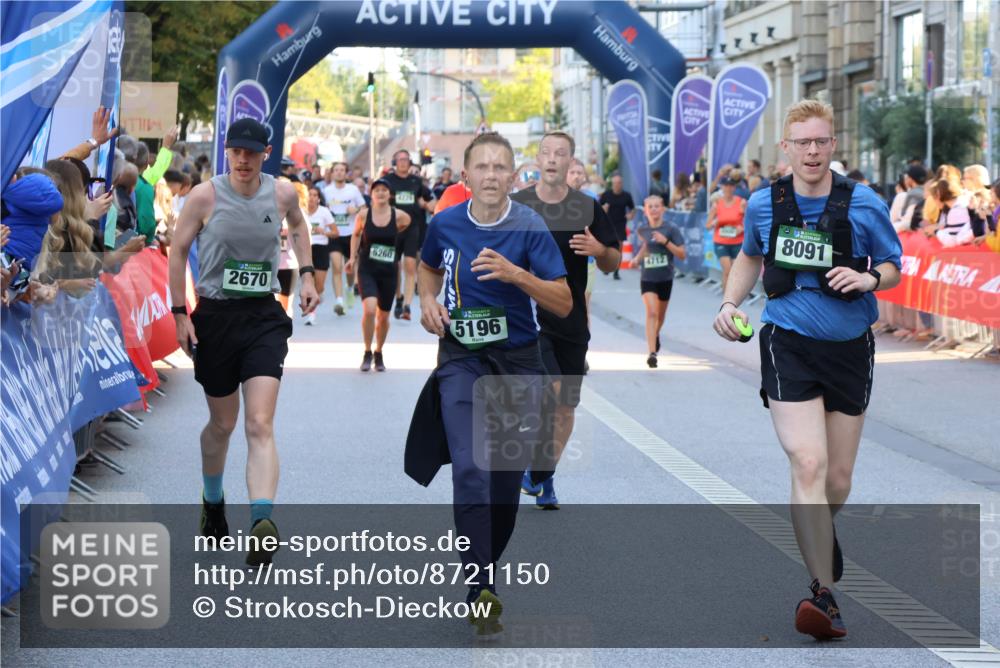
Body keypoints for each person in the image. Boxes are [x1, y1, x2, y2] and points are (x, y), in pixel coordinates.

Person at [712, 100, 901, 640]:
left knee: (836, 480)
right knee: (808, 462)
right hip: (787, 342)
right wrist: (729, 303)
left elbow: (893, 265)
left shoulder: (864, 202)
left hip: (849, 347)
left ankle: (820, 532)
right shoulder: (763, 203)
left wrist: (869, 280)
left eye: (821, 141)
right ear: (787, 148)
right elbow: (749, 256)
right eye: (803, 143)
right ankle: (823, 594)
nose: (812, 151)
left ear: (833, 145)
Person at [413, 132, 570, 635]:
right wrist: (428, 302)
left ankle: (485, 568)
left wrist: (516, 275)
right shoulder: (445, 223)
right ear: (465, 176)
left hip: (518, 362)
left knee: (504, 483)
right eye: (481, 167)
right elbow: (427, 268)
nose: (491, 175)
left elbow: (563, 301)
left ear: (513, 176)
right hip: (462, 358)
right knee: (470, 467)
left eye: (500, 167)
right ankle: (480, 585)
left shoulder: (530, 227)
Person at [168, 118, 320, 566]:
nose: (243, 159)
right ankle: (213, 499)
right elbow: (177, 251)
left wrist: (307, 274)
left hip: (262, 317)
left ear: (265, 153)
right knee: (223, 424)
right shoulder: (204, 196)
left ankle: (261, 522)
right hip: (215, 317)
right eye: (236, 151)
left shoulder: (282, 193)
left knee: (259, 422)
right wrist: (180, 314)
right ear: (228, 152)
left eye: (251, 152)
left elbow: (299, 227)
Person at [511, 132, 620, 508]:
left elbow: (613, 262)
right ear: (538, 159)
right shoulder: (518, 205)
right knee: (550, 392)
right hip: (528, 319)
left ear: (571, 161)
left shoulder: (587, 207)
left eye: (561, 153)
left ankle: (542, 477)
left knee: (565, 407)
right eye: (546, 152)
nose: (553, 158)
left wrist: (599, 249)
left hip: (571, 322)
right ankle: (534, 472)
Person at [345, 178, 411, 371]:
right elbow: (356, 234)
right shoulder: (363, 215)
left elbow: (406, 227)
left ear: (389, 194)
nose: (380, 193)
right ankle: (367, 351)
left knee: (383, 317)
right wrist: (352, 258)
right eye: (377, 190)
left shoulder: (400, 216)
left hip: (389, 271)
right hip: (367, 269)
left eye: (384, 190)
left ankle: (378, 351)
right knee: (370, 309)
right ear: (371, 194)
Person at [632, 194, 686, 368]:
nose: (654, 209)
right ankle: (652, 353)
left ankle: (654, 335)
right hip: (647, 278)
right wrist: (637, 259)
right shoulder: (642, 230)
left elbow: (682, 254)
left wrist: (666, 242)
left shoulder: (671, 229)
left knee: (660, 316)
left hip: (665, 278)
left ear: (663, 209)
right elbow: (646, 246)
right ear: (645, 211)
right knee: (652, 312)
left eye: (657, 206)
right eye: (650, 207)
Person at [383, 149, 434, 320]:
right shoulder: (387, 181)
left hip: (413, 228)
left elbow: (430, 200)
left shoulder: (416, 181)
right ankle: (398, 297)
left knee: (410, 265)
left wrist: (427, 205)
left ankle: (407, 305)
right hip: (393, 228)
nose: (404, 162)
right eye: (400, 159)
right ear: (394, 163)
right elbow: (376, 199)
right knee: (395, 266)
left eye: (406, 159)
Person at [322, 162, 365, 314]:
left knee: (350, 267)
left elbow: (364, 208)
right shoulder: (326, 191)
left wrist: (356, 209)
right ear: (332, 173)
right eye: (336, 170)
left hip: (351, 234)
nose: (339, 173)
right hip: (335, 234)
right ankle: (339, 301)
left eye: (342, 170)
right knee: (337, 266)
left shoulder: (353, 190)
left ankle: (350, 287)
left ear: (346, 173)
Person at [706, 175, 746, 291]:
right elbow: (707, 226)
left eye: (731, 186)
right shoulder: (717, 204)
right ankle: (726, 298)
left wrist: (742, 228)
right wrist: (714, 223)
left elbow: (749, 221)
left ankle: (733, 297)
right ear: (722, 187)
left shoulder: (741, 202)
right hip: (721, 241)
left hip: (737, 242)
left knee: (735, 272)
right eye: (726, 186)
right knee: (727, 270)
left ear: (734, 188)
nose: (728, 188)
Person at [303, 185, 337, 325]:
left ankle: (318, 295)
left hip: (321, 249)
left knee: (319, 286)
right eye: (309, 194)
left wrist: (324, 232)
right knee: (309, 282)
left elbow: (335, 233)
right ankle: (311, 314)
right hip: (306, 249)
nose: (311, 197)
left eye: (315, 195)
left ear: (318, 199)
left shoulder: (324, 212)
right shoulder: (301, 211)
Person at [599, 174, 635, 279]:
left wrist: (631, 215)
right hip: (607, 224)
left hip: (620, 225)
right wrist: (603, 209)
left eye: (619, 183)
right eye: (615, 183)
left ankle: (616, 271)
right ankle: (606, 267)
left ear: (622, 184)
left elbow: (633, 208)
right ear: (612, 184)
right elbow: (598, 208)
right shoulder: (606, 195)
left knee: (619, 248)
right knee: (607, 248)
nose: (617, 185)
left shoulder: (626, 195)